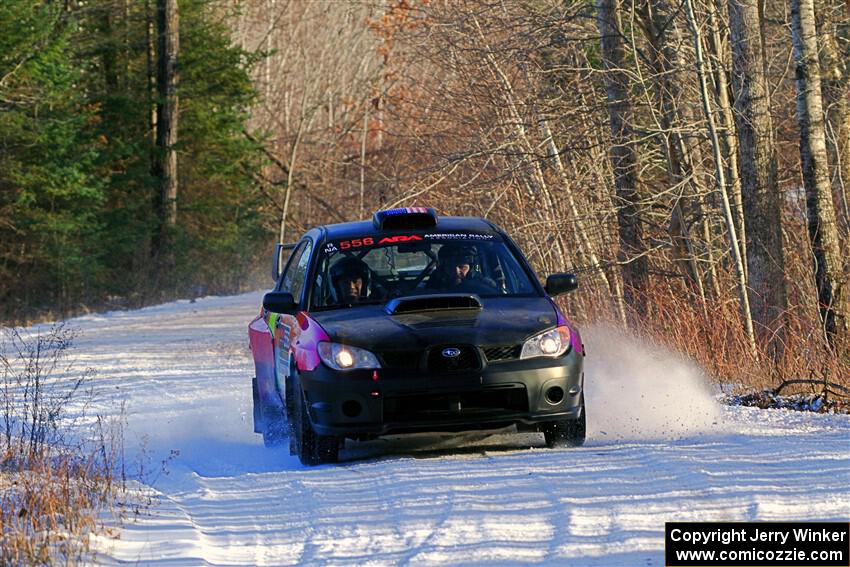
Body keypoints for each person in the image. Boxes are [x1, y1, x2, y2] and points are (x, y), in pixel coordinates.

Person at [426, 243, 498, 293]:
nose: (456, 271)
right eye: (450, 266)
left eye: (462, 267)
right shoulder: (435, 282)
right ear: (444, 267)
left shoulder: (485, 285)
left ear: (471, 268)